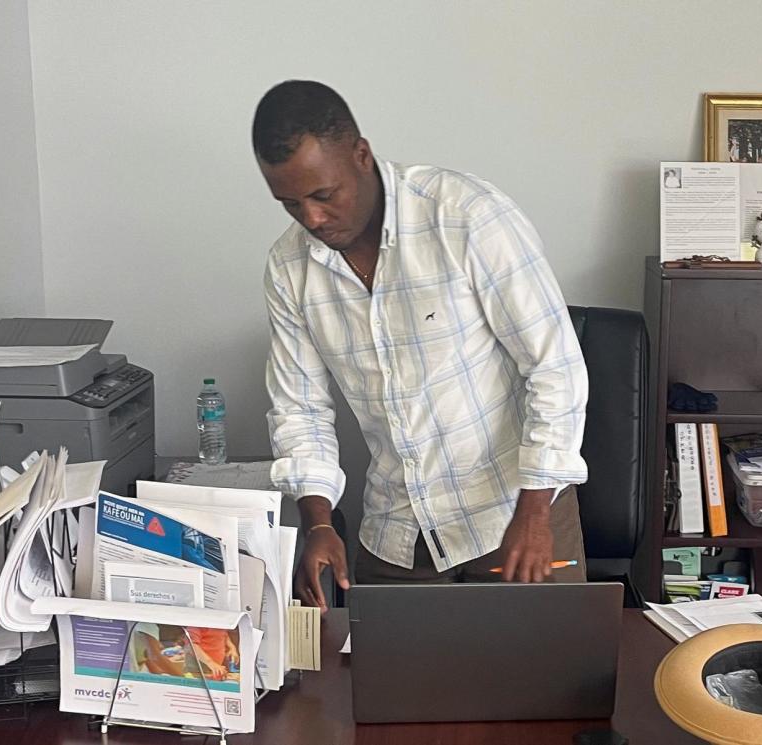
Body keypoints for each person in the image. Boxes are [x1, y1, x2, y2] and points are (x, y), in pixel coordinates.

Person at [252, 81, 589, 611]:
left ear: (361, 156)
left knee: (544, 690)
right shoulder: (289, 267)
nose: (311, 220)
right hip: (398, 530)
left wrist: (537, 513)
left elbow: (554, 367)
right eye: (289, 204)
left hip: (515, 514)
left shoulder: (466, 216)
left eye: (323, 195)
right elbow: (300, 409)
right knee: (395, 691)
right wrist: (317, 522)